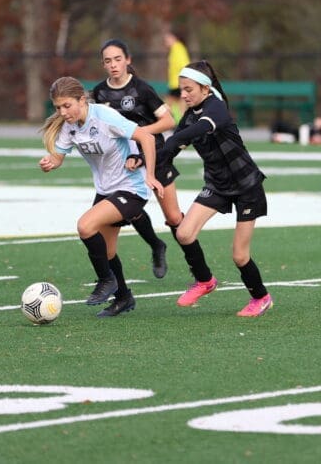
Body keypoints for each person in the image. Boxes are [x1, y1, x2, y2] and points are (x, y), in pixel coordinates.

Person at [38, 77, 163, 318]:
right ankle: (124, 297)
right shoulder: (69, 125)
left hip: (131, 188)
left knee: (85, 226)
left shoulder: (105, 117)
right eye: (58, 107)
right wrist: (49, 162)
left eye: (67, 106)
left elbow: (146, 138)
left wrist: (149, 174)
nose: (62, 112)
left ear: (81, 100)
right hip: (106, 190)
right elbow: (58, 157)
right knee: (107, 252)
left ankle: (107, 280)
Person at [157, 61, 273, 317]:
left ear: (205, 89)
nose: (183, 95)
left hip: (246, 186)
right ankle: (205, 281)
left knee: (240, 256)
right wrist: (145, 161)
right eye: (181, 89)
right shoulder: (190, 115)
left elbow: (196, 130)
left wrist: (176, 139)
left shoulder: (216, 108)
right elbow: (171, 148)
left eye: (188, 89)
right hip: (218, 185)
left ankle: (261, 297)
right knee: (184, 234)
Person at [91, 39, 183, 279]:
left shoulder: (141, 89)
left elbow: (168, 121)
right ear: (103, 64)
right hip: (125, 162)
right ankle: (156, 246)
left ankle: (196, 266)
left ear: (128, 60)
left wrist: (138, 134)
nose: (113, 65)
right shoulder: (99, 93)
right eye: (108, 61)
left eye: (118, 59)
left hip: (155, 155)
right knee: (129, 209)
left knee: (174, 217)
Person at [163, 30, 190, 117]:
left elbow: (184, 65)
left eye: (168, 38)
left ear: (174, 38)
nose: (166, 40)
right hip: (176, 84)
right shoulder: (176, 49)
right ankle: (182, 123)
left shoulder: (177, 49)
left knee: (165, 108)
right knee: (179, 108)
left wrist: (184, 82)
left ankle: (174, 123)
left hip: (177, 84)